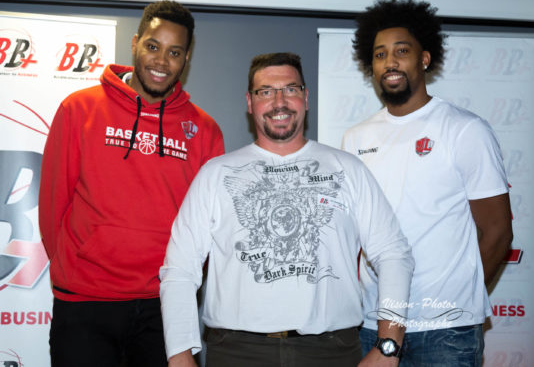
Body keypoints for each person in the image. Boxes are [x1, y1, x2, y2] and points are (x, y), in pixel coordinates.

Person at [160, 52, 414, 367]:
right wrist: (180, 354)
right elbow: (179, 269)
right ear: (250, 102)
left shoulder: (348, 169)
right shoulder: (216, 175)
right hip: (238, 353)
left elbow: (394, 253)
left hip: (331, 352)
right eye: (266, 91)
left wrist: (389, 346)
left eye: (290, 89)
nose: (279, 102)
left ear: (306, 98)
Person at [39, 0, 224, 367]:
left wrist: (183, 285)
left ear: (186, 59)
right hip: (85, 304)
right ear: (136, 43)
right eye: (153, 46)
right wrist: (74, 268)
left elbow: (208, 226)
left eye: (174, 52)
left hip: (165, 306)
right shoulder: (79, 109)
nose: (161, 61)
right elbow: (53, 204)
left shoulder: (204, 130)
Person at [342, 0, 513, 366]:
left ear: (424, 58)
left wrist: (456, 299)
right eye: (380, 54)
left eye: (401, 51)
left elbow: (498, 231)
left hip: (445, 331)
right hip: (374, 325)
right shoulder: (355, 138)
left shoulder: (464, 129)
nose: (390, 62)